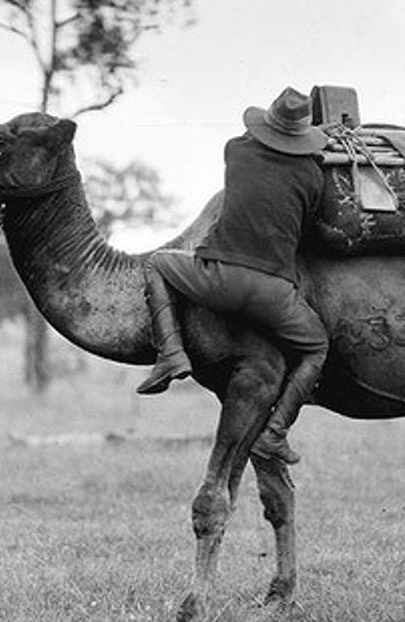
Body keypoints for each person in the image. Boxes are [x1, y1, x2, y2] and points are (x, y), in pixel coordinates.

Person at [136, 87, 331, 465]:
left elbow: (250, 139)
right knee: (316, 348)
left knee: (158, 263)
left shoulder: (237, 151)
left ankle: (172, 355)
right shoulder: (311, 175)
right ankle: (275, 433)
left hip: (218, 278)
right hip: (274, 292)